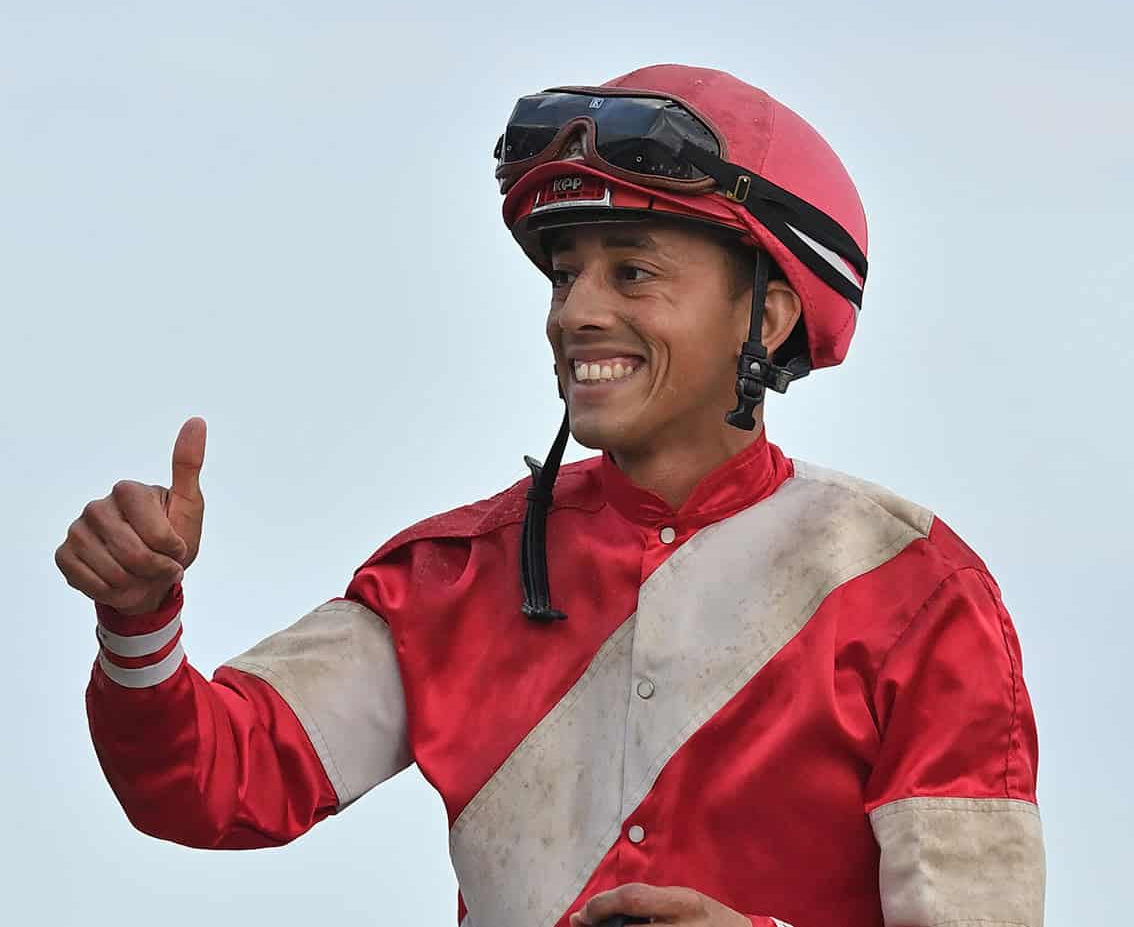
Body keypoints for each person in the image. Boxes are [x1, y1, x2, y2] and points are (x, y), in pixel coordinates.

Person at [55, 64, 1045, 927]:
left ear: (769, 313)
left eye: (634, 272)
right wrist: (140, 616)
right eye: (564, 274)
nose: (577, 312)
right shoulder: (451, 576)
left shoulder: (918, 592)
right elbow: (211, 783)